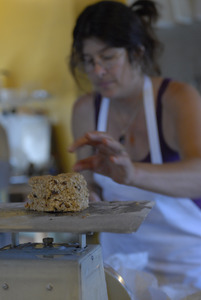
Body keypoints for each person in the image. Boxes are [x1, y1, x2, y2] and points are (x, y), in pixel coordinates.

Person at [68, 0, 201, 298]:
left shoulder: (176, 98)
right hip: (120, 267)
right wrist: (87, 196)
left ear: (136, 53)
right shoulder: (86, 110)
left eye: (108, 57)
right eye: (89, 60)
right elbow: (88, 183)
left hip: (189, 266)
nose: (98, 70)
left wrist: (133, 172)